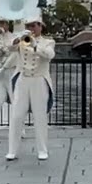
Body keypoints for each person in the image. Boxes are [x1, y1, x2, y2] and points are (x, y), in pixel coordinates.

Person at [6, 10, 55, 161]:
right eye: (28, 26)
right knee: (16, 115)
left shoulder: (48, 42)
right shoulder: (21, 41)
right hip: (23, 80)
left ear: (40, 26)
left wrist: (35, 45)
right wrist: (18, 39)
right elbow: (9, 48)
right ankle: (12, 150)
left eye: (34, 25)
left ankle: (42, 149)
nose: (31, 28)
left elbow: (49, 55)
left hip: (39, 81)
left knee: (40, 116)